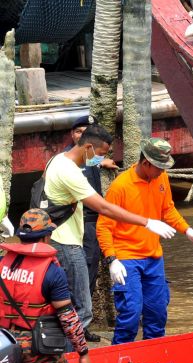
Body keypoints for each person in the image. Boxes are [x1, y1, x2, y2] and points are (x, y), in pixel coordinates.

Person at [44, 124, 177, 344]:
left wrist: (101, 161)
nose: (101, 159)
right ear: (88, 147)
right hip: (67, 243)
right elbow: (104, 209)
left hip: (65, 238)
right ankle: (70, 360)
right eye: (101, 154)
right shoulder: (72, 173)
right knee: (82, 309)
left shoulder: (57, 160)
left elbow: (88, 160)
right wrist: (147, 222)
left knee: (156, 311)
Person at [96, 138, 193, 344]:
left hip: (153, 257)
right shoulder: (120, 187)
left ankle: (154, 360)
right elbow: (104, 226)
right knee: (130, 313)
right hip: (127, 257)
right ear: (146, 163)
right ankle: (119, 360)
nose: (162, 172)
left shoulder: (161, 178)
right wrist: (112, 259)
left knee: (157, 313)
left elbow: (168, 209)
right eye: (159, 167)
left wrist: (187, 230)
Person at [0, 209, 92, 363]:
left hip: (6, 345)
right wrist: (83, 352)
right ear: (47, 236)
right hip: (41, 347)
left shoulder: (2, 265)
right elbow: (68, 318)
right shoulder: (51, 271)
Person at [66, 115, 119, 343]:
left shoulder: (89, 158)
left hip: (94, 224)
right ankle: (78, 328)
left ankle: (81, 325)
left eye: (86, 131)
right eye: (78, 131)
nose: (82, 134)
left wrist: (103, 162)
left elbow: (90, 161)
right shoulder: (67, 161)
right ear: (73, 135)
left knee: (91, 273)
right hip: (82, 223)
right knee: (81, 276)